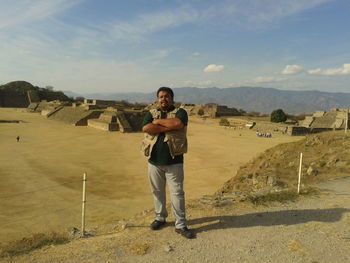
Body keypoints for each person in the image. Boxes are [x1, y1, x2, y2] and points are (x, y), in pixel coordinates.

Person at [141, 87, 195, 239]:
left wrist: (157, 122)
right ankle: (160, 217)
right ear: (157, 99)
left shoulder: (180, 112)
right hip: (154, 161)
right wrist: (166, 124)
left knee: (177, 193)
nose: (163, 99)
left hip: (174, 161)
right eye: (160, 97)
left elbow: (178, 124)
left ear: (172, 98)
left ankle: (180, 224)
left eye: (166, 96)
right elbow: (146, 127)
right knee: (157, 191)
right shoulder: (150, 112)